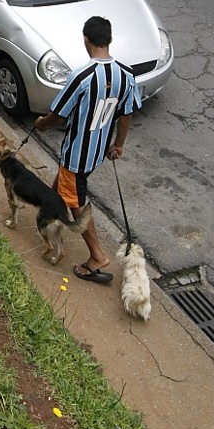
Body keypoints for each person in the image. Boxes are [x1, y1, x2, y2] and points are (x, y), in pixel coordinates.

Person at [33, 16, 141, 284]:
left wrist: (42, 124)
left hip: (76, 155)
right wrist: (118, 145)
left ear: (86, 40)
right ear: (110, 40)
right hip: (97, 153)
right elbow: (126, 116)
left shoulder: (82, 76)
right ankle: (48, 213)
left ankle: (97, 256)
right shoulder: (126, 76)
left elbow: (58, 114)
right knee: (66, 188)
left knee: (76, 203)